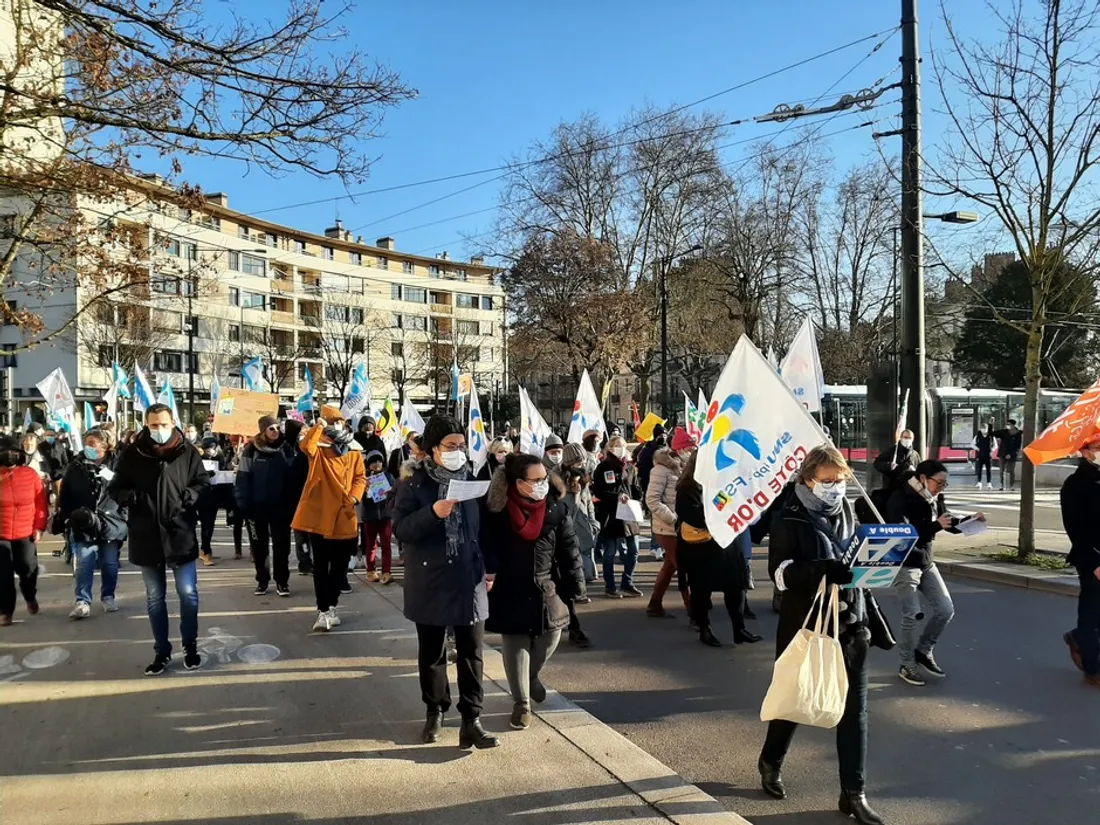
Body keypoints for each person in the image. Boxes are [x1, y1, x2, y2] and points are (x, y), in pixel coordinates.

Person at [758, 444, 884, 825]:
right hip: (807, 625)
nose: (835, 488)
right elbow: (779, 575)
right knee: (796, 700)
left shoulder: (848, 510)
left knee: (854, 711)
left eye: (840, 480)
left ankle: (853, 792)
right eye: (827, 481)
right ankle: (771, 760)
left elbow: (858, 559)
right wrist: (819, 570)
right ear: (808, 479)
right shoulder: (788, 517)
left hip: (851, 623)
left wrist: (880, 558)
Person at [393, 416, 499, 750]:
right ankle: (435, 710)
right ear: (433, 449)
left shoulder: (474, 479)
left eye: (461, 446)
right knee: (433, 650)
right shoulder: (414, 483)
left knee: (471, 651)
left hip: (469, 576)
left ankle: (472, 719)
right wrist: (433, 513)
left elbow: (486, 529)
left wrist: (490, 568)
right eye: (450, 446)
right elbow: (401, 530)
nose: (457, 452)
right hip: (430, 576)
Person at [483, 453, 585, 730]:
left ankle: (531, 676)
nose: (542, 484)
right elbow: (486, 545)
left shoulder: (556, 509)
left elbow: (569, 549)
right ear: (517, 482)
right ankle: (522, 703)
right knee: (515, 643)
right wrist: (489, 570)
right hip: (509, 585)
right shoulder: (496, 511)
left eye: (544, 479)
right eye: (535, 480)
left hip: (546, 584)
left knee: (552, 634)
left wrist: (575, 584)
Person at [107, 403, 210, 675]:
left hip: (180, 533)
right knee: (155, 597)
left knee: (188, 594)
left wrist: (190, 496)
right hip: (146, 534)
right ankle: (162, 652)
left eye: (164, 424)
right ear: (146, 425)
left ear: (173, 422)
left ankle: (190, 648)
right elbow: (115, 488)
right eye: (154, 425)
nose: (159, 430)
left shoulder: (187, 452)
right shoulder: (132, 453)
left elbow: (202, 483)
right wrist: (135, 499)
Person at [887, 459, 977, 687]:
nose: (942, 488)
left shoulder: (935, 497)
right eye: (940, 483)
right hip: (905, 562)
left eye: (945, 484)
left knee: (946, 610)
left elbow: (947, 522)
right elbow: (902, 532)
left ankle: (923, 651)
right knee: (912, 615)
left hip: (926, 562)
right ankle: (906, 664)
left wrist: (969, 521)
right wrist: (936, 525)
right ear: (924, 479)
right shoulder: (901, 497)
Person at [291, 405, 366, 632]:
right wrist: (319, 425)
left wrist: (354, 498)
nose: (336, 425)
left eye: (338, 421)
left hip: (344, 512)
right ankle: (323, 610)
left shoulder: (354, 449)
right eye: (331, 421)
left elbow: (361, 477)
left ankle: (332, 605)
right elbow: (306, 445)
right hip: (320, 514)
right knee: (321, 565)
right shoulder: (319, 448)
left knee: (340, 567)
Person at [676, 451, 760, 647]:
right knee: (701, 591)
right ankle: (704, 628)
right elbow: (695, 517)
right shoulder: (687, 488)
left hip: (728, 546)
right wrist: (722, 508)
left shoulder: (725, 484)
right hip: (701, 550)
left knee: (736, 588)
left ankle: (739, 629)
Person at [58, 429, 128, 618]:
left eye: (92, 443)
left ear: (104, 446)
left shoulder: (118, 464)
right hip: (83, 521)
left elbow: (127, 491)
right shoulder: (76, 465)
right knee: (83, 562)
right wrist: (66, 515)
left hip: (111, 521)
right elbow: (65, 493)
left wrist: (124, 516)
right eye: (86, 442)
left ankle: (108, 596)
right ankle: (82, 602)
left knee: (110, 563)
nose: (88, 446)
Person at [235, 416, 295, 597]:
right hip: (256, 508)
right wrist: (243, 503)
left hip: (281, 508)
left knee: (282, 546)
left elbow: (293, 478)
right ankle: (262, 580)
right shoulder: (250, 450)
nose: (276, 431)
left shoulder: (286, 449)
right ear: (263, 431)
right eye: (271, 428)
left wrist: (292, 503)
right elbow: (242, 478)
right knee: (259, 547)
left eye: (278, 428)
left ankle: (282, 582)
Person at [1059, 439, 1100, 689]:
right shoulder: (1075, 485)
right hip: (1092, 557)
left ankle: (1077, 638)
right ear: (1085, 452)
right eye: (1098, 448)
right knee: (1093, 613)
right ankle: (1093, 668)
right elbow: (1075, 529)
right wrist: (1095, 562)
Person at [0, 434, 48, 626]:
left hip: (25, 532)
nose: (9, 455)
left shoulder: (30, 475)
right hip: (1, 534)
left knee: (28, 569)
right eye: (4, 452)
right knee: (2, 576)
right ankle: (6, 611)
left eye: (13, 451)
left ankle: (30, 596)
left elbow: (41, 503)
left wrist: (39, 527)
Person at [646, 427, 693, 619]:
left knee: (670, 565)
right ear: (680, 449)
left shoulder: (684, 466)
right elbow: (652, 500)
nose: (692, 452)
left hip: (679, 527)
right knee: (684, 567)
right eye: (689, 448)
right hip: (667, 528)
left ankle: (655, 604)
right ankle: (693, 611)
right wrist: (673, 519)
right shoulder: (661, 469)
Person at [592, 434, 643, 598]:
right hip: (611, 514)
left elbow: (635, 487)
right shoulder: (603, 467)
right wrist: (616, 497)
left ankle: (627, 582)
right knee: (610, 552)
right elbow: (599, 491)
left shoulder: (629, 467)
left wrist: (638, 496)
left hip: (628, 514)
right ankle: (610, 586)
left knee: (634, 551)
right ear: (611, 448)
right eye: (617, 445)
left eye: (623, 445)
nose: (621, 448)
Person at [560, 442, 597, 647]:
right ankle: (571, 625)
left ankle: (573, 625)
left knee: (576, 576)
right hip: (561, 537)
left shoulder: (582, 480)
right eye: (577, 461)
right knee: (564, 582)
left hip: (579, 532)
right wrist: (572, 489)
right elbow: (567, 510)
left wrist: (593, 522)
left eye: (582, 460)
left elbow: (587, 502)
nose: (581, 464)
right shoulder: (556, 479)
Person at [196, 435, 242, 564]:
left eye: (210, 448)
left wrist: (230, 469)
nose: (208, 451)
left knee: (215, 524)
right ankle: (206, 551)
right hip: (205, 497)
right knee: (207, 525)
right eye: (205, 449)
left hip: (220, 495)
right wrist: (206, 475)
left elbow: (228, 471)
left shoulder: (223, 457)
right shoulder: (199, 460)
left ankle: (205, 549)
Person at [360, 449, 396, 583]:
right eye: (373, 462)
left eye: (379, 461)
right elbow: (360, 495)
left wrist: (389, 492)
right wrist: (366, 490)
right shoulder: (363, 477)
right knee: (371, 545)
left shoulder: (388, 476)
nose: (377, 464)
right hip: (369, 516)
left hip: (385, 515)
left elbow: (394, 492)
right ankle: (371, 570)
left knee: (386, 544)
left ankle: (386, 571)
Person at [283, 419, 312, 576]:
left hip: (308, 496)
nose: (304, 435)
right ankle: (304, 561)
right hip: (293, 499)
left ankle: (309, 560)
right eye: (301, 432)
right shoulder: (285, 450)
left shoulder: (305, 450)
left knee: (310, 533)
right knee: (300, 533)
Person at [872, 428, 919, 495]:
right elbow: (877, 463)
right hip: (891, 488)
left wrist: (914, 471)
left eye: (910, 438)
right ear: (901, 438)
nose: (907, 440)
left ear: (913, 439)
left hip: (909, 490)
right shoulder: (891, 451)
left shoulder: (915, 455)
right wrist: (889, 466)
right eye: (905, 437)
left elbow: (919, 470)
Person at [635, 424, 666, 503]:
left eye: (665, 435)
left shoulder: (667, 449)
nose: (663, 438)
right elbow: (643, 468)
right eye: (661, 436)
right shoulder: (647, 449)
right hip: (650, 483)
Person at [993, 419, 1023, 491]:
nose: (1007, 425)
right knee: (1001, 470)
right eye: (1007, 424)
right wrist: (991, 425)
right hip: (1002, 454)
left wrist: (1011, 454)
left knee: (1011, 471)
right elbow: (992, 433)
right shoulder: (1003, 432)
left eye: (1009, 424)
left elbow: (1018, 446)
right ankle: (1002, 485)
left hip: (1012, 455)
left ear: (1013, 425)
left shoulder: (1018, 434)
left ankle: (1011, 485)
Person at [972, 422, 995, 490]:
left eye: (985, 428)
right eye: (982, 428)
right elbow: (972, 444)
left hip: (988, 455)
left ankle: (989, 483)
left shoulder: (991, 436)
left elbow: (995, 445)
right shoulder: (977, 436)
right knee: (979, 469)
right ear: (980, 429)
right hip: (980, 455)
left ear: (987, 429)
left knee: (989, 470)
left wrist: (992, 449)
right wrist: (978, 449)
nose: (984, 430)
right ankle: (979, 482)